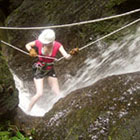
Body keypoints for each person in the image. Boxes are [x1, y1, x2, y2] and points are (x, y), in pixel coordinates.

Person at [25, 29, 79, 112]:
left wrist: (72, 54)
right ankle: (28, 111)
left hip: (50, 68)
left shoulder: (58, 45)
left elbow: (67, 57)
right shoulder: (39, 42)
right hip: (39, 68)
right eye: (44, 43)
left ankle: (64, 109)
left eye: (46, 43)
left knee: (57, 92)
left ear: (51, 42)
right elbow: (27, 45)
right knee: (39, 93)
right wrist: (31, 50)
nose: (45, 44)